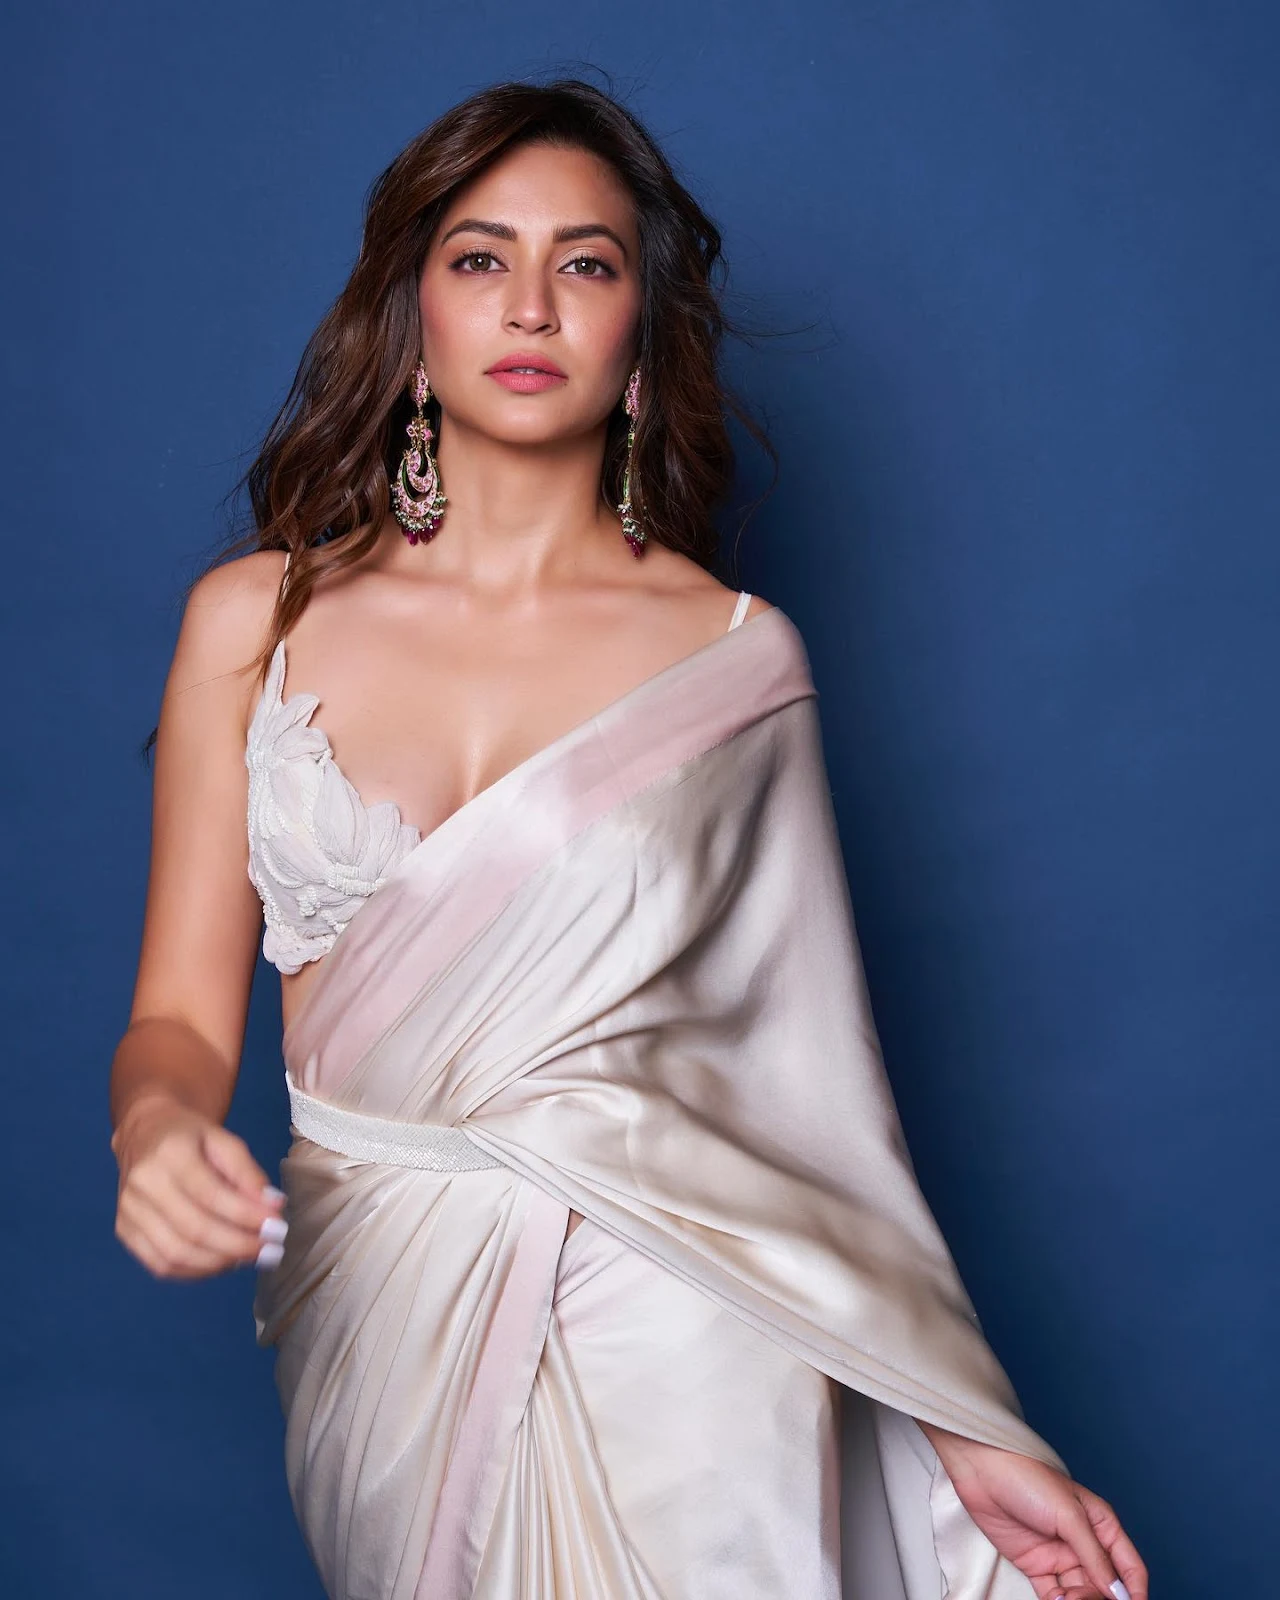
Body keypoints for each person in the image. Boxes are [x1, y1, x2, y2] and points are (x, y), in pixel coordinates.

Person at [108, 78, 1148, 1600]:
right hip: (378, 1296)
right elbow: (181, 1019)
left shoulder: (735, 661)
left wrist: (962, 1424)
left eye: (585, 264)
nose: (531, 304)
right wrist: (155, 1128)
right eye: (481, 257)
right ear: (410, 312)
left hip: (682, 1312)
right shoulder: (249, 623)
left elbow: (814, 1101)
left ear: (641, 333)